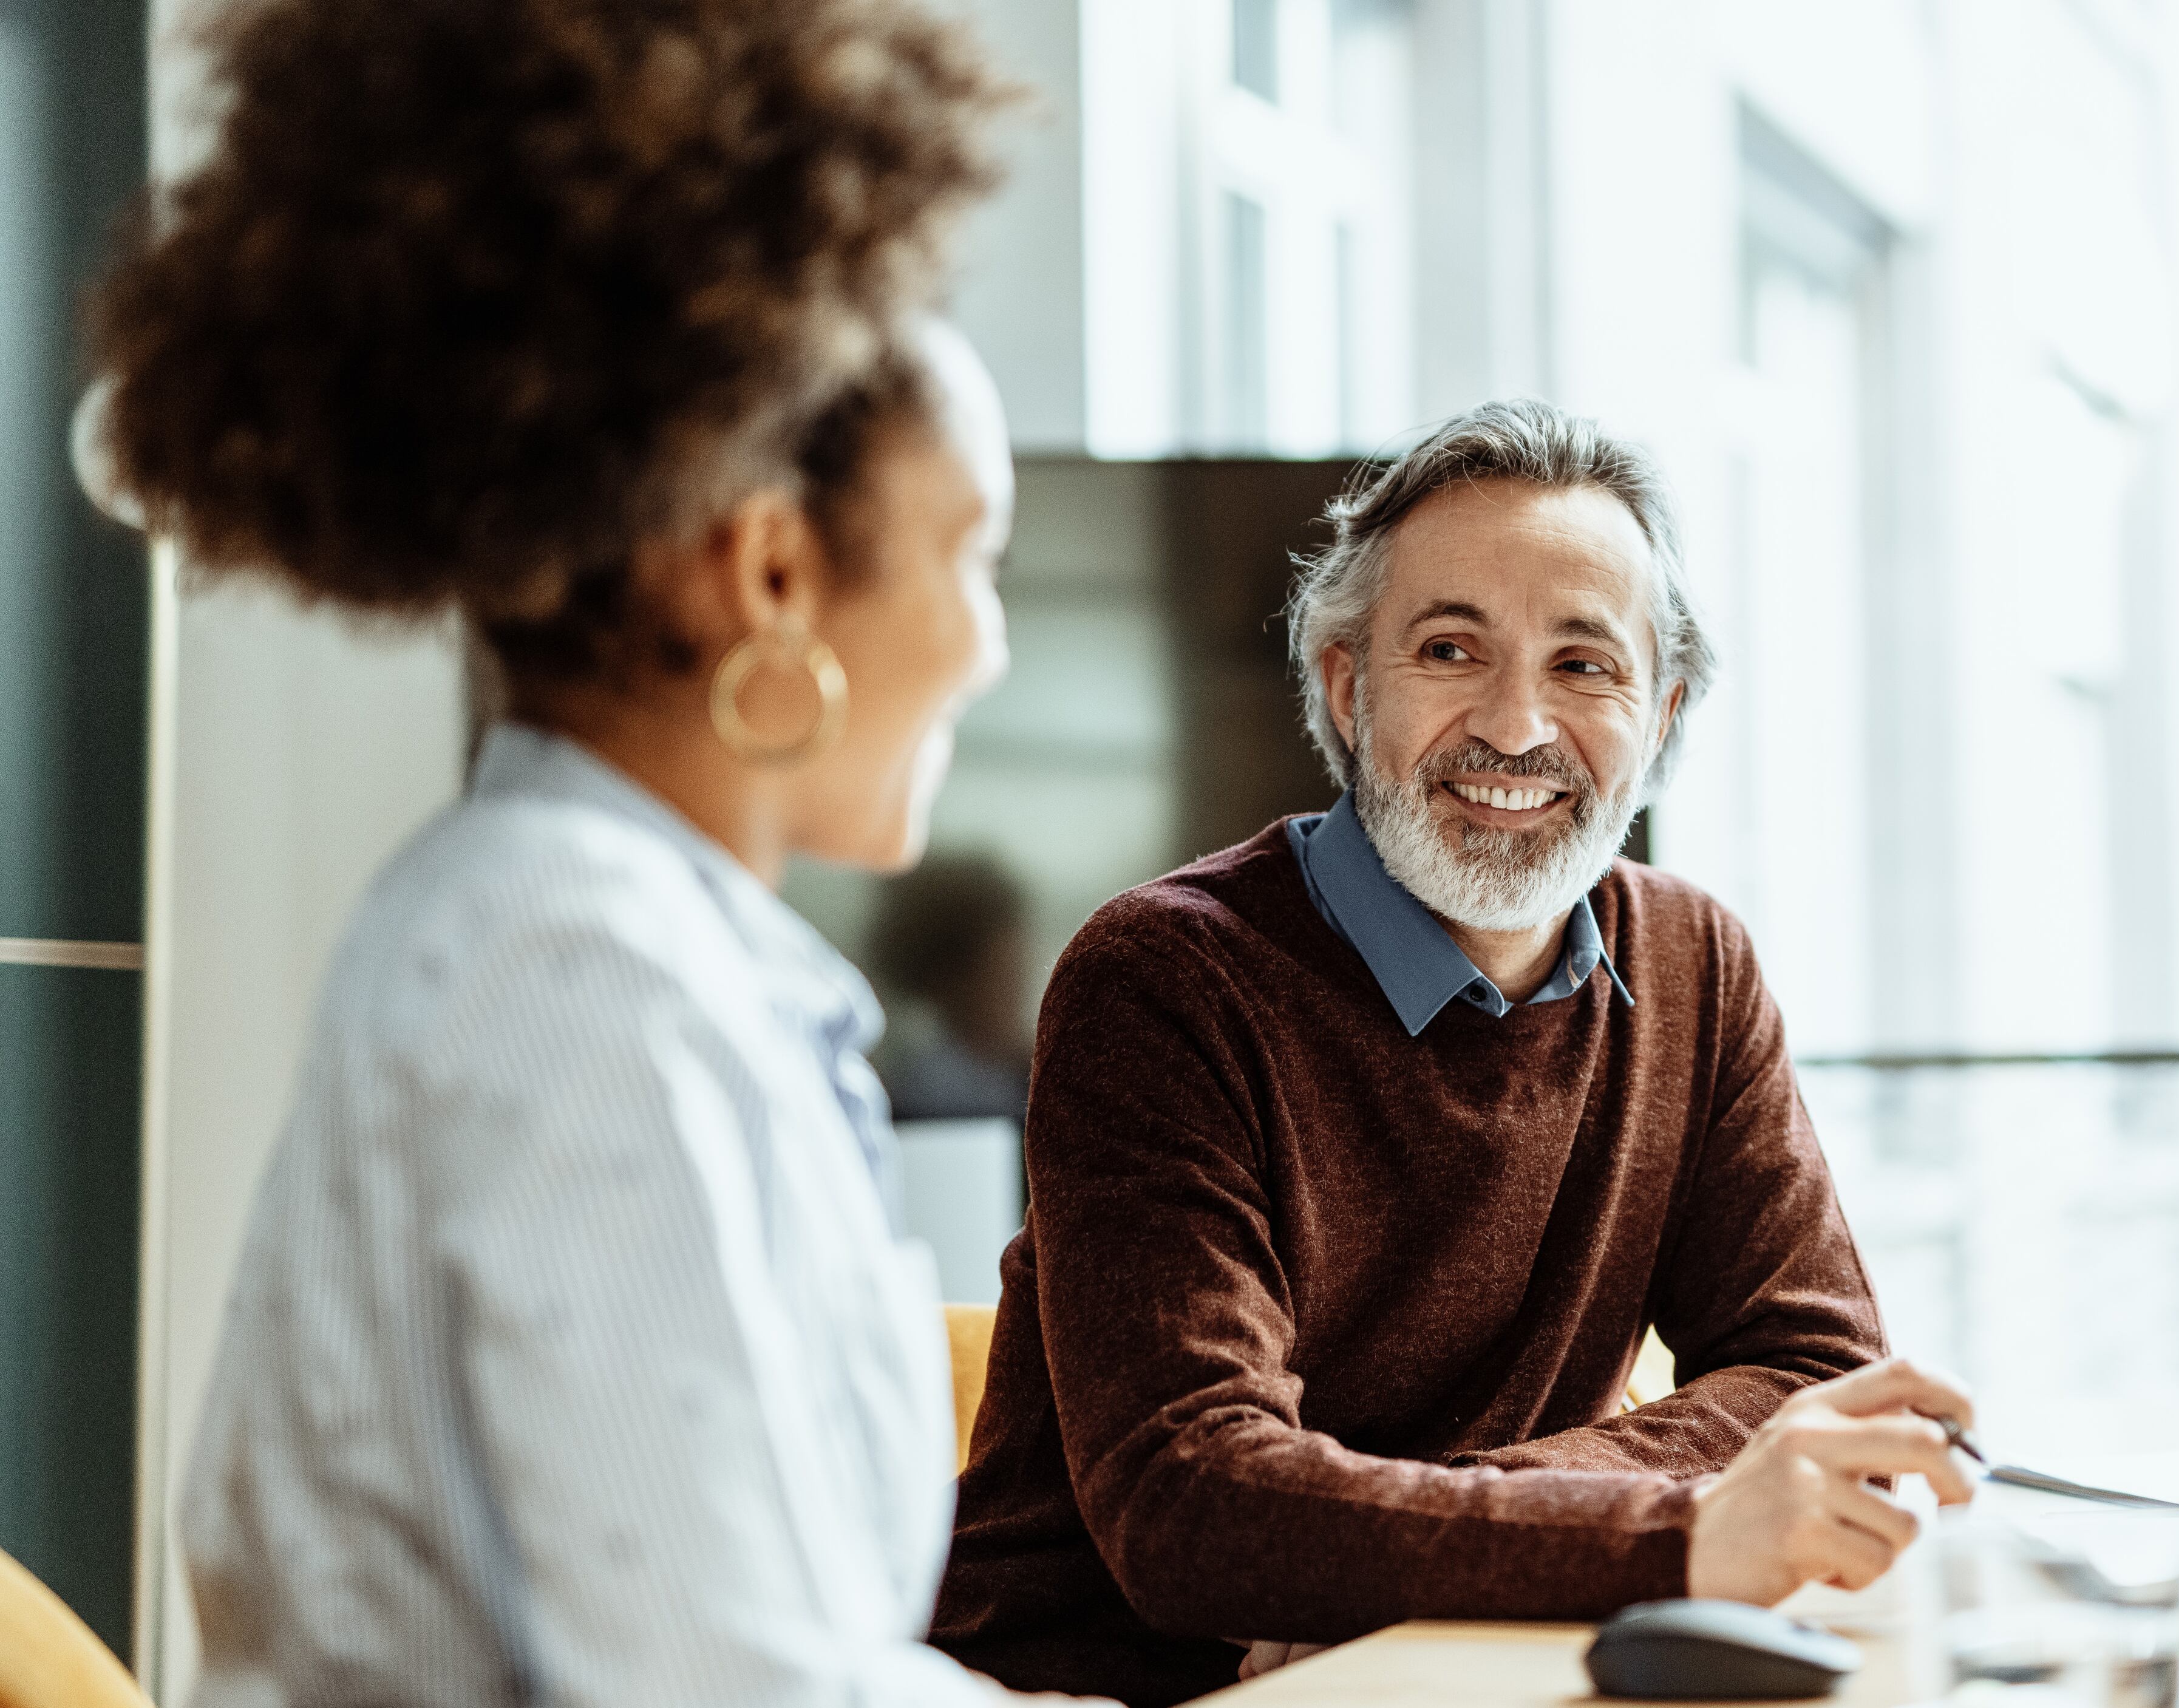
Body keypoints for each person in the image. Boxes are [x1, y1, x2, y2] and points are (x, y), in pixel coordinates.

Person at [88, 1, 1100, 1700]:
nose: (990, 645)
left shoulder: (578, 924)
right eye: (973, 556)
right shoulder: (583, 975)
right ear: (768, 574)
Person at [934, 400, 1979, 1706]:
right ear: (1344, 684)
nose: (1516, 724)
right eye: (1448, 647)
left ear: (1658, 716)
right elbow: (1189, 1499)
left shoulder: (1694, 962)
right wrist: (1670, 1532)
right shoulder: (1161, 976)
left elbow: (1815, 1371)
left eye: (1585, 665)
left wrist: (1396, 1558)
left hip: (1494, 1660)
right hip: (1129, 1689)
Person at [869, 854, 1035, 1126]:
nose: (1019, 988)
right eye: (1003, 973)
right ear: (950, 981)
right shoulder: (932, 1093)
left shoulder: (1022, 1067)